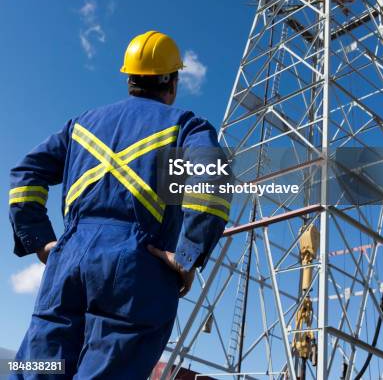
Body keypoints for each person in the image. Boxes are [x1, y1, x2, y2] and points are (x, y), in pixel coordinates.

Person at [9, 31, 232, 380]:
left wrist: (40, 240)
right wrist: (187, 256)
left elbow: (26, 173)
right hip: (138, 267)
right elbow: (212, 182)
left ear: (129, 78)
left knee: (39, 367)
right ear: (172, 82)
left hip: (67, 262)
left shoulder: (80, 126)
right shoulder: (186, 127)